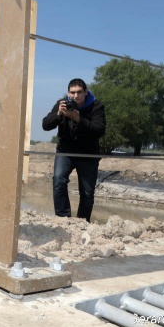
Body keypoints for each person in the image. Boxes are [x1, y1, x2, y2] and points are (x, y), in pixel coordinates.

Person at [41, 78, 106, 222]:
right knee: (58, 181)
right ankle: (63, 219)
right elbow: (45, 125)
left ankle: (82, 222)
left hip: (88, 154)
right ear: (68, 93)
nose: (75, 96)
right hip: (66, 151)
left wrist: (78, 119)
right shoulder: (62, 104)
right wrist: (58, 114)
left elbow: (99, 130)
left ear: (86, 92)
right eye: (72, 93)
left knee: (87, 192)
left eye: (79, 92)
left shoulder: (96, 106)